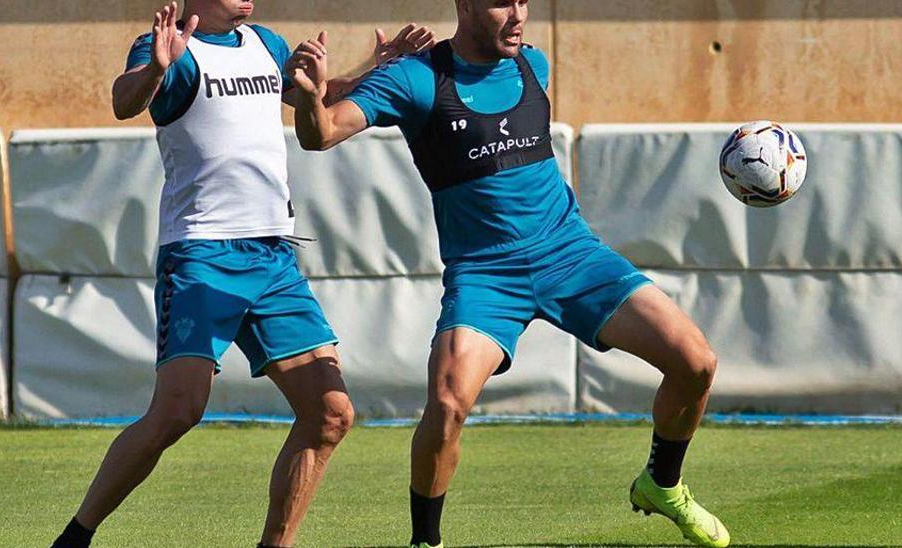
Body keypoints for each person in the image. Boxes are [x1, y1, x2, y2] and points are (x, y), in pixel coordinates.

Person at [285, 1, 730, 547]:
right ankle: (426, 541)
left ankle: (662, 484)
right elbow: (320, 134)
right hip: (485, 274)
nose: (518, 14)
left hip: (571, 257)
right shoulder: (415, 77)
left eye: (524, 0)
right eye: (503, 3)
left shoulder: (533, 65)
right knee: (447, 405)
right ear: (466, 5)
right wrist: (309, 98)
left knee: (696, 362)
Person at [51, 2, 432, 547]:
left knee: (330, 412)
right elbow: (123, 100)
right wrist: (157, 68)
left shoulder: (266, 43)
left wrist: (377, 68)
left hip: (274, 256)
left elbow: (311, 96)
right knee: (178, 411)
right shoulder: (170, 47)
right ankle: (76, 536)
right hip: (203, 255)